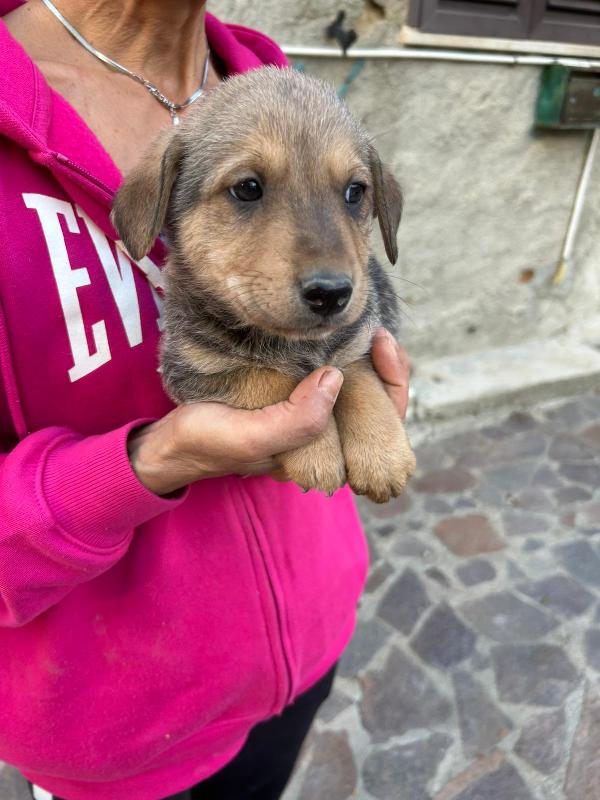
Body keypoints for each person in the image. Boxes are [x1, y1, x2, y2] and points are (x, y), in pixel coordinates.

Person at [0, 1, 411, 798]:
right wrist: (149, 463)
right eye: (246, 190)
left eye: (353, 194)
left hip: (306, 655)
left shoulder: (274, 86)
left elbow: (352, 314)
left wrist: (352, 385)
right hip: (116, 732)